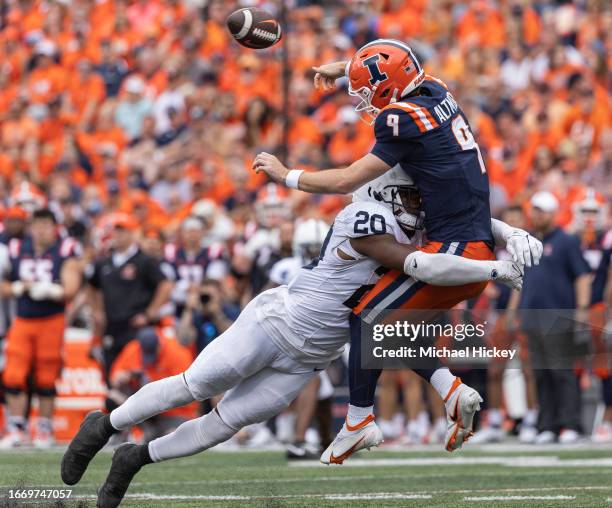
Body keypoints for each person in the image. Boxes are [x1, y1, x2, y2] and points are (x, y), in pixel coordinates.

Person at [61, 169, 525, 507]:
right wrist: (493, 268)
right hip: (276, 322)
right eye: (410, 195)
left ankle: (135, 459)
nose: (419, 204)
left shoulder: (412, 224)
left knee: (225, 424)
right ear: (385, 192)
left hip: (310, 357)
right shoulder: (364, 217)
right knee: (197, 385)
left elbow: (457, 229)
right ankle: (104, 426)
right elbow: (419, 265)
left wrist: (505, 232)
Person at [253, 38, 542, 460]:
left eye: (367, 91)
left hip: (456, 254)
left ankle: (359, 419)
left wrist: (286, 176)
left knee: (367, 317)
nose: (364, 100)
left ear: (389, 86)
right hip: (464, 236)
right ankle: (451, 391)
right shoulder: (437, 90)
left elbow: (344, 181)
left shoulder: (399, 120)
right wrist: (339, 69)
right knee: (386, 325)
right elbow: (389, 70)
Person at [0, 208, 82, 448]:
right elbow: (2, 284)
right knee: (13, 374)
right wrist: (17, 288)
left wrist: (52, 290)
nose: (41, 229)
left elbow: (72, 287)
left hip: (51, 320)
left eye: (46, 224)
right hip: (23, 320)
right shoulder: (15, 248)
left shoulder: (64, 249)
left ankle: (45, 429)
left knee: (46, 376)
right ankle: (16, 428)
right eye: (37, 224)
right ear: (30, 227)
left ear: (54, 227)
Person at [520, 191, 592, 445]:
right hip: (532, 316)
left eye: (541, 210)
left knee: (562, 371)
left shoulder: (566, 241)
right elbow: (523, 280)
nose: (536, 214)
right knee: (541, 373)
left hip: (558, 316)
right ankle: (547, 424)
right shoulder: (528, 240)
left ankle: (570, 424)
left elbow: (582, 275)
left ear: (552, 213)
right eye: (535, 210)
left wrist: (582, 308)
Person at [87, 214, 173, 378]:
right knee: (111, 373)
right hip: (112, 325)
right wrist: (97, 311)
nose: (118, 236)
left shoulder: (144, 261)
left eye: (123, 231)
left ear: (132, 234)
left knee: (136, 374)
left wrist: (150, 312)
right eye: (116, 231)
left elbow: (165, 284)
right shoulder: (103, 262)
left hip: (135, 326)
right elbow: (91, 286)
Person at [108, 327, 197, 443]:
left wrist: (151, 385)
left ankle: (150, 433)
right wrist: (124, 377)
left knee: (172, 439)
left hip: (174, 411)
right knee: (113, 396)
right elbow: (114, 379)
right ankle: (129, 433)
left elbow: (184, 393)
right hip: (147, 409)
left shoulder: (178, 354)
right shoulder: (133, 349)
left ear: (160, 345)